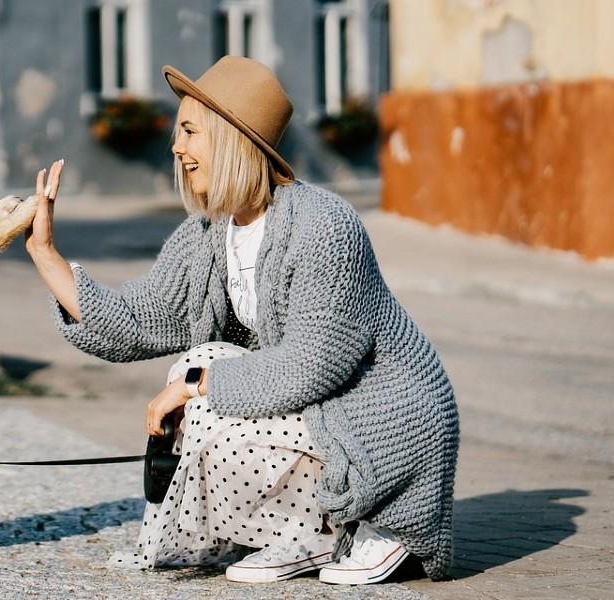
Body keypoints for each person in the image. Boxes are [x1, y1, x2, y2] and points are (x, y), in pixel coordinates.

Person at [24, 57, 458, 585]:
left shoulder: (324, 225)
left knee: (202, 384)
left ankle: (362, 524)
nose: (176, 147)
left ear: (233, 138)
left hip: (383, 420)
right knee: (199, 365)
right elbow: (139, 320)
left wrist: (195, 386)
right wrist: (46, 255)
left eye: (190, 131)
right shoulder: (208, 233)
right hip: (318, 410)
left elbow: (310, 366)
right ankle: (301, 533)